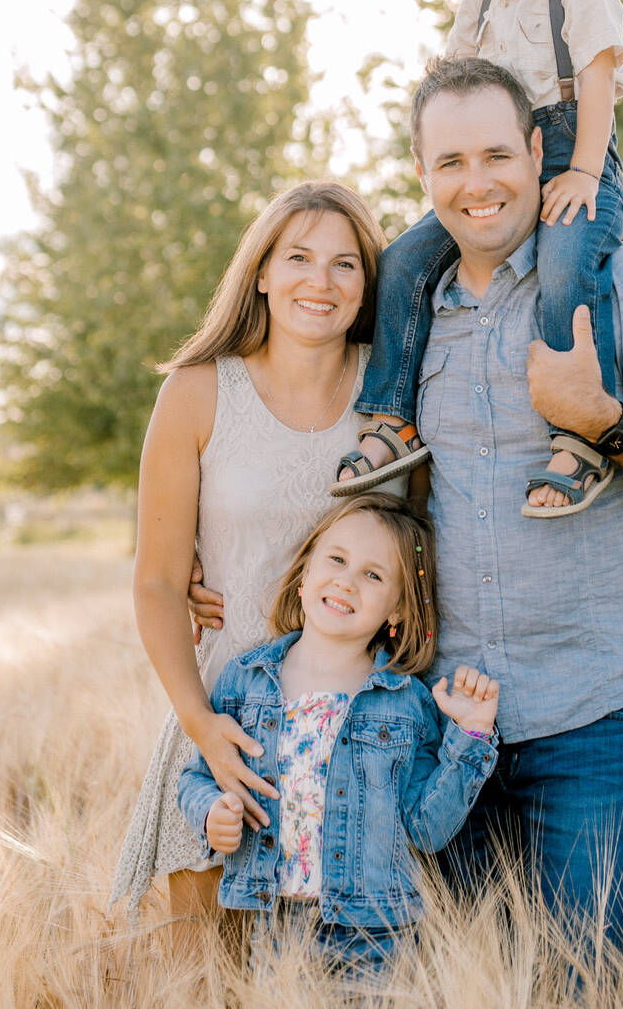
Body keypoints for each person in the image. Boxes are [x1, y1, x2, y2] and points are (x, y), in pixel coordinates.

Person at [404, 55, 623, 966]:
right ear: (421, 173)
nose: (476, 183)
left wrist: (601, 420)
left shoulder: (617, 285)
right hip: (446, 731)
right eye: (450, 163)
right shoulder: (404, 316)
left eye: (495, 154)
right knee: (462, 980)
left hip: (593, 715)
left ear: (537, 150)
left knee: (583, 984)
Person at [109, 181, 395, 933]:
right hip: (226, 733)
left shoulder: (391, 390)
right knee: (204, 972)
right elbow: (159, 583)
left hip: (353, 733)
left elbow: (415, 546)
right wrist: (202, 726)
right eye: (297, 256)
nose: (320, 281)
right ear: (261, 271)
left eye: (345, 264)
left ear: (368, 285)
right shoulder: (197, 393)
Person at [334, 0, 623, 517]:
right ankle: (390, 421)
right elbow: (448, 85)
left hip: (567, 148)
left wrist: (584, 171)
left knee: (565, 263)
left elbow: (596, 79)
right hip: (488, 165)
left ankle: (581, 436)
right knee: (404, 262)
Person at [177, 494, 499, 974]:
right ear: (305, 576)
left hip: (379, 938)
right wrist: (211, 812)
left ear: (397, 611)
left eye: (373, 575)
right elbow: (197, 775)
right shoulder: (247, 680)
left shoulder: (406, 703)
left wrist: (470, 737)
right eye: (337, 559)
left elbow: (427, 830)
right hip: (275, 926)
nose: (347, 581)